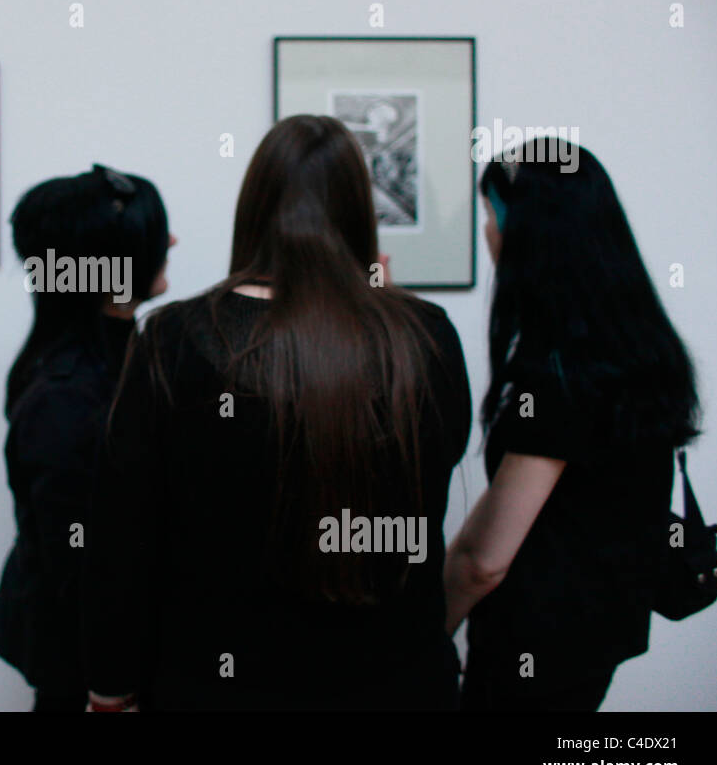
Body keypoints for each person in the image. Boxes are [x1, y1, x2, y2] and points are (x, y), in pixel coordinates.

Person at [83, 115, 471, 711]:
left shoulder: (172, 339)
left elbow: (125, 539)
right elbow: (427, 484)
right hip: (396, 683)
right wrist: (386, 305)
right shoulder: (428, 337)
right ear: (359, 213)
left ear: (254, 208)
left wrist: (110, 689)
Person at [445, 139, 699, 711]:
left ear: (527, 233)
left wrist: (420, 638)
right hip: (599, 639)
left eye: (490, 216)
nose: (486, 234)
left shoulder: (559, 378)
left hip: (534, 653)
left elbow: (484, 560)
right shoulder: (636, 351)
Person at [0, 164, 173, 711]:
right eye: (157, 234)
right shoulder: (67, 399)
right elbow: (82, 569)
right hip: (89, 680)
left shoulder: (130, 359)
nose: (174, 242)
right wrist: (109, 693)